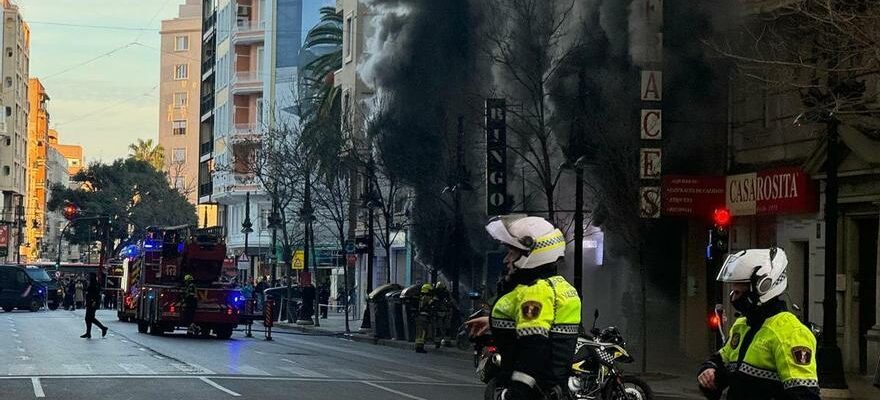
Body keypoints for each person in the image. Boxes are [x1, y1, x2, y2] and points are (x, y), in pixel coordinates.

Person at [468, 215, 581, 400]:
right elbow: (547, 325)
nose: (506, 259)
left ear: (532, 254)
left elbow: (534, 347)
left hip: (534, 392)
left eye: (512, 252)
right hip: (550, 390)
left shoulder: (534, 292)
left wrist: (518, 392)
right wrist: (491, 322)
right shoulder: (556, 286)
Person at [697, 248, 819, 400]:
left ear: (763, 286)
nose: (733, 296)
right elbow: (721, 363)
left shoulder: (790, 333)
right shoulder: (742, 326)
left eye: (739, 289)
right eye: (733, 290)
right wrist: (709, 371)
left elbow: (804, 395)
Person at [81, 273, 108, 339]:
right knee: (89, 318)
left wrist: (94, 301)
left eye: (90, 276)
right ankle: (88, 332)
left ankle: (102, 328)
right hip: (90, 302)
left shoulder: (95, 284)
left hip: (92, 303)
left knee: (90, 318)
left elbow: (96, 294)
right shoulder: (91, 283)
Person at [430, 281, 453, 348]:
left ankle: (438, 343)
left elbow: (431, 304)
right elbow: (451, 303)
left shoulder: (435, 296)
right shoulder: (446, 295)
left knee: (439, 329)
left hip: (439, 314)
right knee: (446, 328)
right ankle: (446, 342)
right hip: (445, 313)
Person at [414, 283, 434, 354]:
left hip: (420, 316)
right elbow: (432, 304)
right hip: (424, 317)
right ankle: (420, 347)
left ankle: (418, 346)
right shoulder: (426, 297)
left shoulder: (421, 297)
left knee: (419, 333)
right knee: (422, 333)